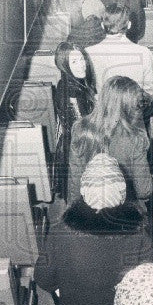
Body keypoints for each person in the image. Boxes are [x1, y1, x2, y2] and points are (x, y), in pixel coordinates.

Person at [35, 154, 153, 305]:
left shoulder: (60, 232)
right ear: (122, 193)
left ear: (84, 191)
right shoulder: (139, 236)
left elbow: (43, 280)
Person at [66, 76, 153, 206]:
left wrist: (75, 209)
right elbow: (144, 191)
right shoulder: (137, 137)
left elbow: (75, 179)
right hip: (123, 209)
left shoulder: (80, 128)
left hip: (90, 205)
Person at [87, 4, 153, 102]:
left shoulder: (89, 53)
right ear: (129, 25)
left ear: (102, 25)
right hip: (134, 113)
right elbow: (151, 90)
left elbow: (88, 92)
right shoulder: (144, 53)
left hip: (102, 113)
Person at [53, 42, 96, 199]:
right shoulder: (73, 93)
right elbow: (84, 130)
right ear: (64, 65)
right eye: (74, 62)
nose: (82, 65)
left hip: (70, 145)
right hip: (80, 150)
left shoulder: (65, 83)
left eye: (82, 59)